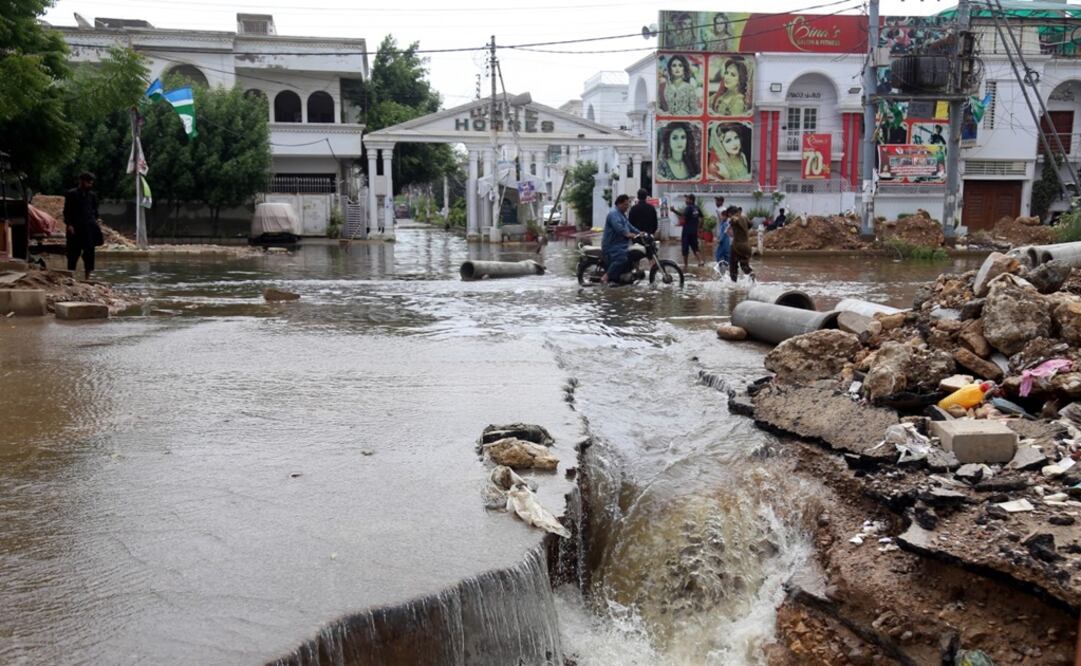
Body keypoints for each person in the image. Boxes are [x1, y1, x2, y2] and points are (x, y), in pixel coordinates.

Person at [63, 171, 101, 280]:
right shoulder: (71, 194)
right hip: (75, 228)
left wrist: (95, 222)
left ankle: (87, 278)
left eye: (91, 182)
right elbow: (67, 211)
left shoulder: (92, 196)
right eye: (88, 182)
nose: (90, 184)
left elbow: (95, 211)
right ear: (81, 181)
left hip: (89, 228)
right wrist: (69, 224)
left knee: (89, 253)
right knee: (73, 253)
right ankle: (71, 276)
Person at [601, 194, 640, 285]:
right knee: (622, 258)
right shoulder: (613, 214)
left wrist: (640, 233)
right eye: (625, 204)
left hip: (621, 245)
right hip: (612, 245)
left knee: (631, 255)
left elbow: (630, 226)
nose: (627, 207)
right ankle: (605, 276)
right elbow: (619, 228)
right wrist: (628, 234)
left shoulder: (622, 215)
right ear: (619, 204)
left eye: (628, 204)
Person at [676, 193, 704, 269]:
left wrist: (673, 210)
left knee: (685, 248)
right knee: (695, 247)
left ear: (691, 200)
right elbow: (702, 217)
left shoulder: (688, 208)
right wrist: (700, 227)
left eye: (687, 199)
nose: (685, 200)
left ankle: (686, 265)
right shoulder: (696, 208)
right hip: (694, 231)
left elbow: (682, 215)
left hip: (687, 231)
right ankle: (701, 261)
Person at [728, 206, 754, 282]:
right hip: (747, 247)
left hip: (737, 246)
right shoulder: (745, 217)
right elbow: (751, 224)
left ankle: (733, 284)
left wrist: (733, 219)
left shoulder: (735, 218)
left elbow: (733, 220)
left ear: (730, 213)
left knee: (733, 266)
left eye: (729, 215)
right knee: (744, 267)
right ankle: (752, 276)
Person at [714, 200, 733, 270]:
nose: (721, 217)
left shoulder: (725, 224)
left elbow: (724, 233)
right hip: (726, 242)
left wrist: (720, 240)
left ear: (726, 217)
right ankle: (727, 266)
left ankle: (720, 266)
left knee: (718, 254)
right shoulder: (724, 223)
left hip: (723, 242)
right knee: (727, 255)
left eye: (722, 216)